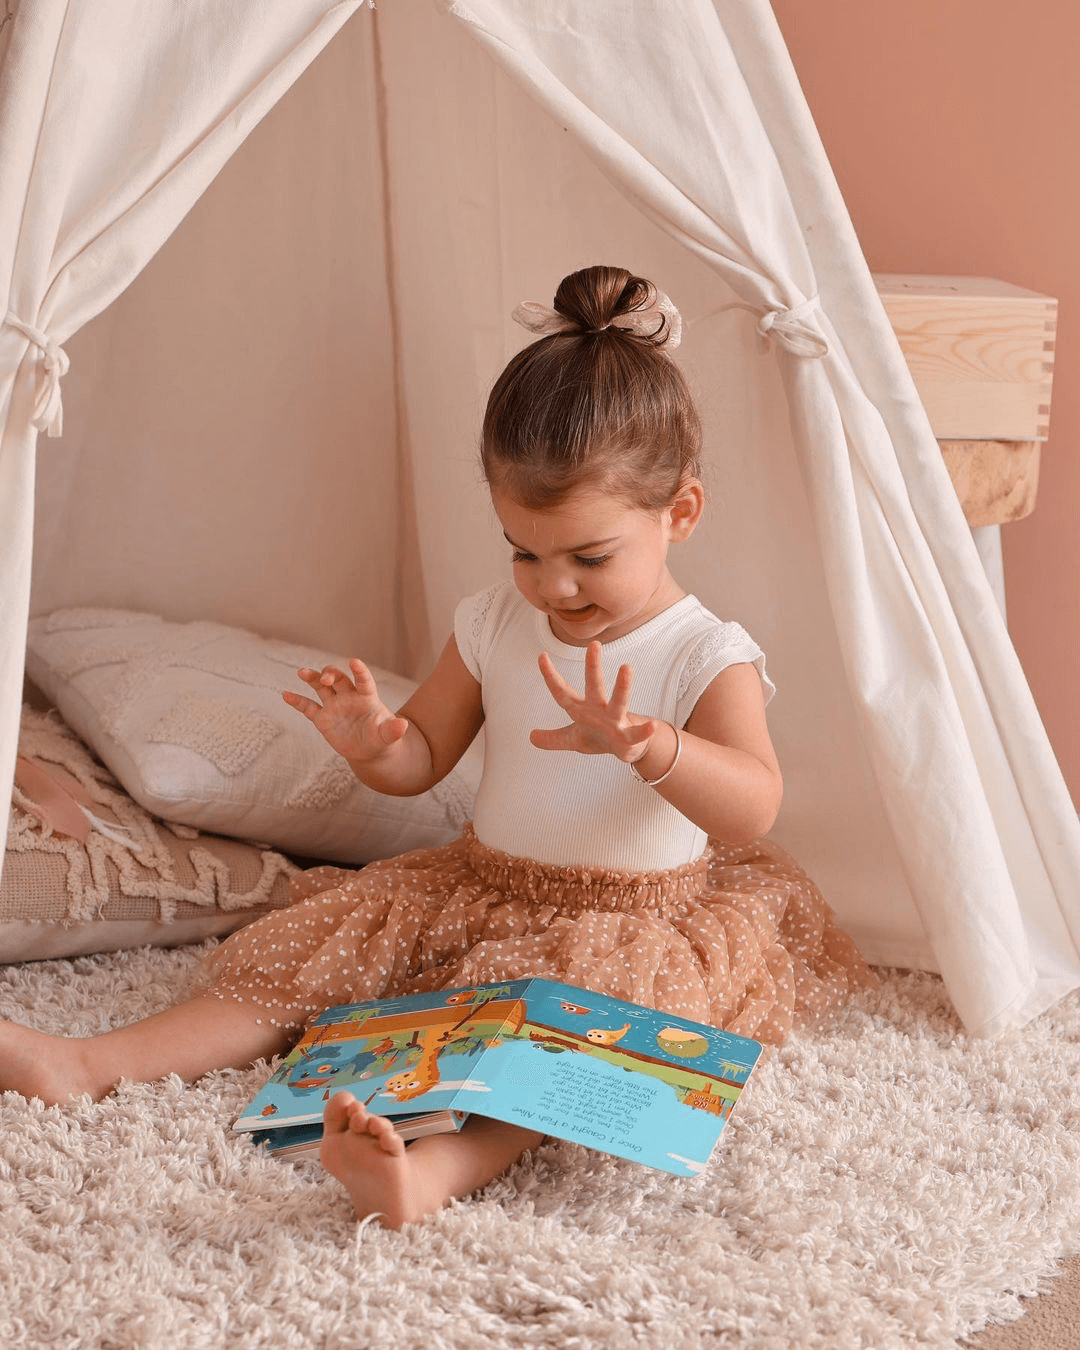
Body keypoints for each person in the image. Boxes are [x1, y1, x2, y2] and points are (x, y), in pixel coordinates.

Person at [0, 265, 874, 1228]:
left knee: (553, 1047)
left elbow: (753, 806)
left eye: (589, 557)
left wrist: (652, 746)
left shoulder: (705, 652)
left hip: (630, 918)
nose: (553, 587)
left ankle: (431, 1173)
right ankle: (86, 1062)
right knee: (304, 965)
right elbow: (424, 756)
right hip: (479, 884)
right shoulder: (496, 621)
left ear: (681, 514)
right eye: (524, 550)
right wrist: (375, 742)